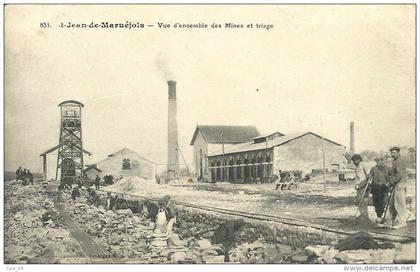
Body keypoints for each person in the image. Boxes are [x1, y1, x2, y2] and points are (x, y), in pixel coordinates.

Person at [382, 146, 408, 229]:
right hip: (396, 185)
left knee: (399, 204)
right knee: (392, 204)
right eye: (391, 153)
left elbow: (399, 174)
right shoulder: (395, 161)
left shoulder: (399, 161)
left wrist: (390, 182)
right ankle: (389, 223)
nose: (392, 154)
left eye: (394, 153)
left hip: (400, 185)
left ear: (398, 153)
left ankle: (402, 222)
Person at [369, 157, 390, 223]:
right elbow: (370, 176)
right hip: (375, 188)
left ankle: (382, 216)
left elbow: (391, 177)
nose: (377, 162)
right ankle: (378, 216)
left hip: (384, 188)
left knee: (383, 202)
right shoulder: (373, 168)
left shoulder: (387, 168)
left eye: (379, 161)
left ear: (383, 161)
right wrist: (369, 177)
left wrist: (389, 183)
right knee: (376, 203)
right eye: (376, 161)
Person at [351, 154, 370, 222]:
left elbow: (368, 175)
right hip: (359, 186)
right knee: (359, 201)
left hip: (364, 186)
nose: (353, 162)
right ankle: (363, 215)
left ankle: (364, 216)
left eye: (354, 160)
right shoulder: (356, 167)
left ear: (358, 159)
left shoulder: (363, 165)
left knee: (363, 201)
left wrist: (366, 184)